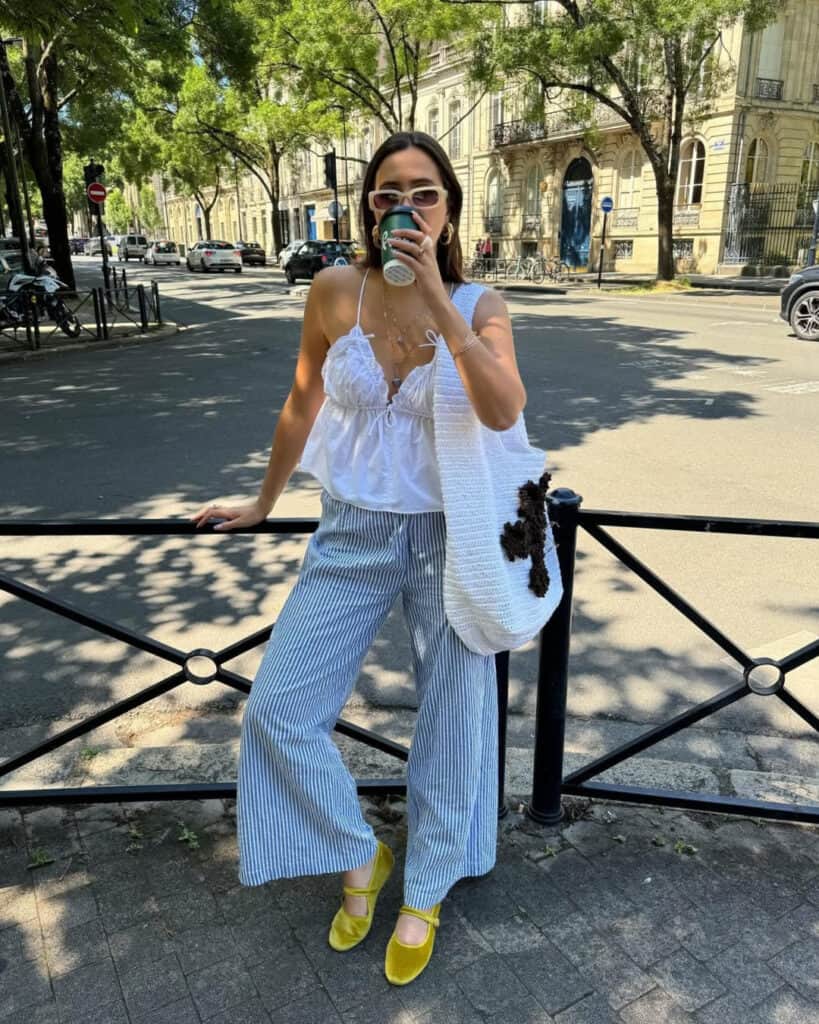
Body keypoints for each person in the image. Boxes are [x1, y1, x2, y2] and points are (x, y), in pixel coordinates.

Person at [192, 131, 530, 986]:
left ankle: (424, 891)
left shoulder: (484, 305)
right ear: (366, 205)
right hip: (349, 529)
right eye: (387, 193)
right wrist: (262, 500)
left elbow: (501, 410)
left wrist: (444, 308)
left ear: (449, 207)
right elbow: (304, 394)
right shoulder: (335, 290)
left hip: (448, 537)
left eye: (423, 192)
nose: (403, 206)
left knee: (452, 723)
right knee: (277, 708)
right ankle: (357, 855)